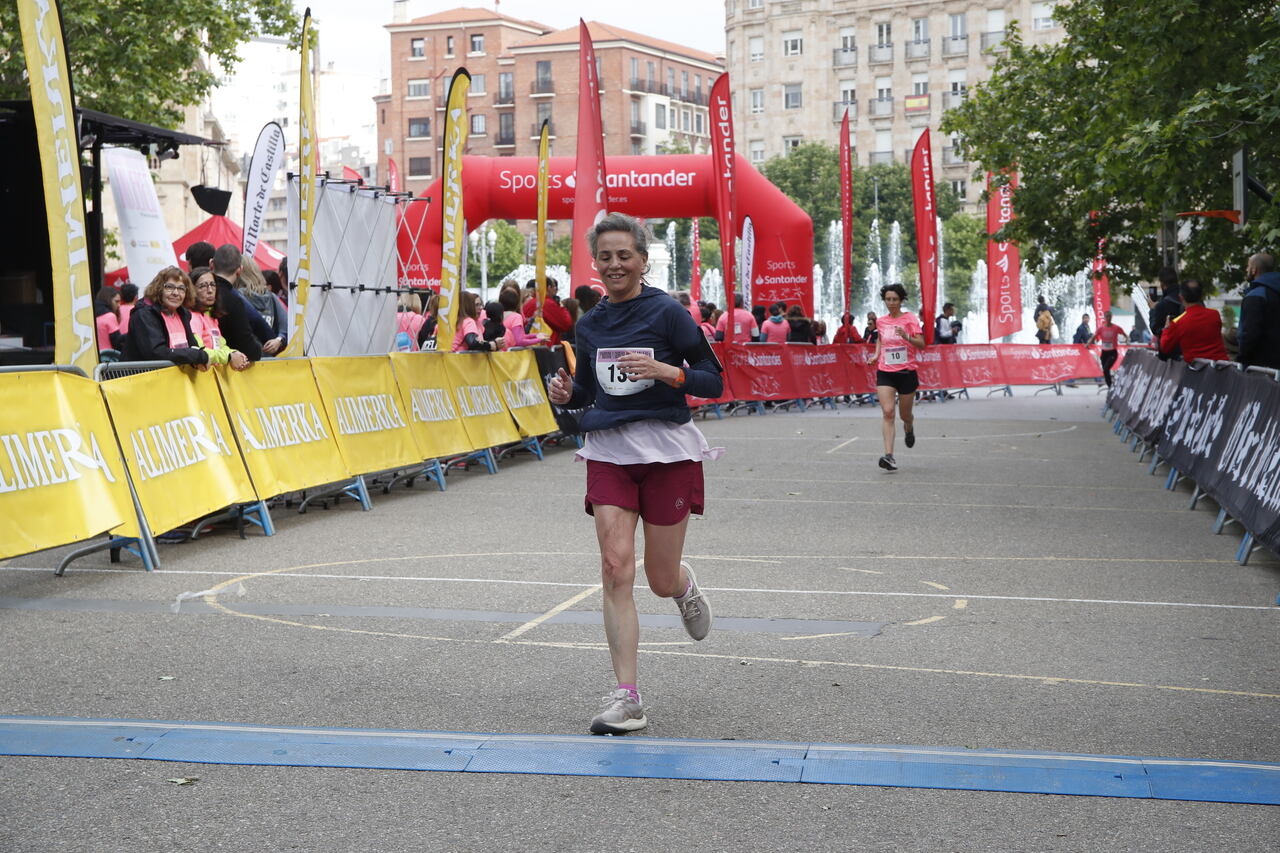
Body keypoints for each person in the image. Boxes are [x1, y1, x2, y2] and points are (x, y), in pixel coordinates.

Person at [546, 212, 723, 736]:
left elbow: (713, 381)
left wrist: (671, 372)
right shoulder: (590, 322)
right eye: (606, 256)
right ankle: (627, 698)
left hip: (668, 451)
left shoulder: (668, 313)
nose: (615, 264)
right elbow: (589, 392)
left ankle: (684, 587)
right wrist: (567, 396)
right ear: (595, 263)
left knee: (657, 577)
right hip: (609, 450)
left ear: (643, 261)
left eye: (625, 255)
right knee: (614, 566)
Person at [866, 284, 924, 471]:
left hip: (907, 373)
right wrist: (876, 355)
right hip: (885, 372)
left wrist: (906, 336)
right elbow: (881, 339)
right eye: (888, 299)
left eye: (894, 299)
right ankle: (889, 456)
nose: (891, 303)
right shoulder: (881, 321)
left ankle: (909, 426)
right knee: (888, 412)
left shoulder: (910, 318)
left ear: (901, 300)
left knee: (904, 414)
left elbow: (921, 344)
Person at [123, 267, 210, 367]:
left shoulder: (183, 314)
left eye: (181, 288)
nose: (176, 293)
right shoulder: (144, 315)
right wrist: (197, 356)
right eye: (169, 287)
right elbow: (156, 353)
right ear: (159, 289)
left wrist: (199, 356)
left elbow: (192, 346)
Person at [188, 266, 250, 370]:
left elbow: (221, 345)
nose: (210, 290)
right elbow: (199, 351)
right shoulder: (192, 316)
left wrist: (234, 353)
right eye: (203, 286)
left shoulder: (211, 315)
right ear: (192, 290)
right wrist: (229, 357)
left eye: (213, 285)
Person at [210, 244, 264, 361]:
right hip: (224, 367)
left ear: (211, 264)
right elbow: (246, 346)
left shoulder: (193, 294)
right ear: (239, 270)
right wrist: (259, 349)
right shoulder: (234, 301)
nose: (209, 292)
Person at [1159, 280, 1228, 364]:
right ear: (1201, 296)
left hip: (1196, 371)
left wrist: (1166, 329)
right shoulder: (1215, 315)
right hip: (1221, 368)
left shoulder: (1178, 322)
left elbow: (1165, 347)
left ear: (1181, 297)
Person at [236, 254, 286, 355]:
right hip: (269, 361)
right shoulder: (272, 297)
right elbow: (286, 326)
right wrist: (278, 340)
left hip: (243, 361)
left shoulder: (235, 296)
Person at [1238, 252, 1280, 370]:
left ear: (1254, 270)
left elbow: (1249, 332)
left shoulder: (1256, 296)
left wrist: (1242, 359)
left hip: (1260, 367)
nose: (1246, 269)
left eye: (1248, 266)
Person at [522, 277, 573, 345]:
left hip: (529, 345)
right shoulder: (548, 304)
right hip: (546, 346)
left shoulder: (529, 303)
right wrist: (561, 306)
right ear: (549, 288)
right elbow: (566, 323)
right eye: (554, 288)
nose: (555, 291)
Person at [1088, 309, 1128, 386]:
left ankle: (1110, 386)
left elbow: (1125, 335)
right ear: (1104, 318)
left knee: (1106, 368)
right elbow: (1093, 336)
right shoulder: (1101, 328)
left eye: (1109, 316)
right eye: (1106, 317)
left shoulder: (1116, 328)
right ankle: (1110, 386)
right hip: (1104, 353)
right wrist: (1087, 344)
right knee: (1105, 371)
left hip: (1112, 352)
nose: (1108, 318)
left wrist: (1126, 341)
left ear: (1111, 317)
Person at [1148, 266, 1182, 345]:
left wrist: (1153, 309)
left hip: (1172, 348)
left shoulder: (1163, 304)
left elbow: (1156, 329)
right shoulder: (1188, 297)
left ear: (1162, 283)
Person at [94, 286, 122, 352]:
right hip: (109, 356)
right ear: (108, 300)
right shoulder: (110, 316)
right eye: (116, 301)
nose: (119, 305)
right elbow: (117, 342)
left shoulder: (92, 314)